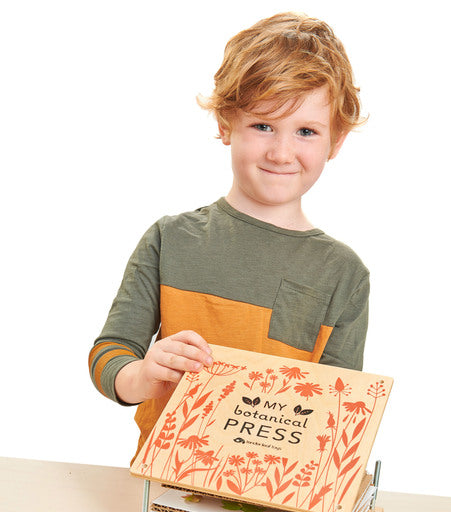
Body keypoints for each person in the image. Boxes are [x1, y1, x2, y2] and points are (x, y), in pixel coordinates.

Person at [89, 12, 370, 459]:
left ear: (335, 141)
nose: (281, 152)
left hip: (275, 493)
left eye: (306, 131)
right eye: (262, 125)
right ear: (225, 124)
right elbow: (110, 352)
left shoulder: (344, 274)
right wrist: (142, 375)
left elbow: (338, 414)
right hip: (164, 478)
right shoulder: (170, 240)